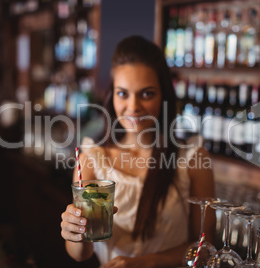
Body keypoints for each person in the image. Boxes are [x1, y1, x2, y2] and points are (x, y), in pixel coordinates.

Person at [60, 35, 215, 268]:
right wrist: (74, 233)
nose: (133, 107)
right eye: (123, 93)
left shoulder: (192, 159)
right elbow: (81, 254)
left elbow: (206, 246)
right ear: (112, 95)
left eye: (146, 94)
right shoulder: (92, 159)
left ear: (163, 95)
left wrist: (146, 263)